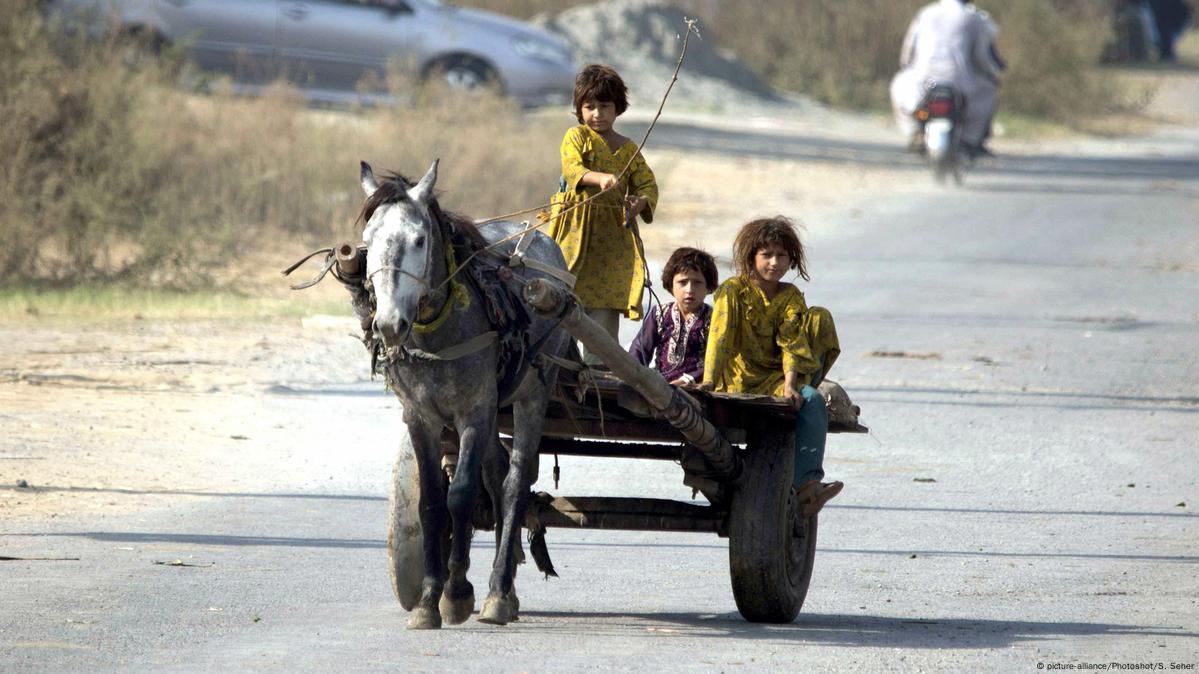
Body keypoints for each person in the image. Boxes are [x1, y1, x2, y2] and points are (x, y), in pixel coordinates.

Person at [702, 217, 843, 516]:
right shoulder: (732, 291)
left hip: (776, 379)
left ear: (791, 259)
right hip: (738, 378)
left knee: (814, 399)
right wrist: (709, 381)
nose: (775, 262)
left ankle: (807, 489)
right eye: (767, 255)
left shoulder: (789, 295)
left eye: (781, 255)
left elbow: (791, 340)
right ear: (751, 256)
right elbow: (720, 337)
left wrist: (791, 385)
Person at [548, 64, 659, 362]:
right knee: (560, 300)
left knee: (603, 317)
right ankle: (557, 370)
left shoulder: (629, 149)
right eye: (590, 107)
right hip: (574, 234)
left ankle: (599, 379)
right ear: (579, 109)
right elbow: (572, 169)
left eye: (605, 106)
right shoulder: (576, 137)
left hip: (612, 244)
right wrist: (600, 178)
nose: (597, 114)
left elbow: (648, 185)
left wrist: (640, 203)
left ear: (617, 108)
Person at [890, 0, 1005, 158]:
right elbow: (982, 57)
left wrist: (907, 66)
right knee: (988, 92)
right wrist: (993, 72)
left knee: (898, 85)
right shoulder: (974, 18)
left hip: (922, 80)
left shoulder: (926, 13)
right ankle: (969, 140)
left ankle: (915, 133)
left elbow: (908, 52)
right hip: (960, 81)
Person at [628, 247, 717, 385]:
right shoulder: (659, 313)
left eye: (697, 283)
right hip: (659, 386)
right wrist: (634, 373)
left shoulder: (713, 319)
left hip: (695, 388)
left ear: (709, 287)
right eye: (682, 282)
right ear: (671, 285)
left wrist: (687, 380)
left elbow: (716, 360)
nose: (689, 290)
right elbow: (640, 349)